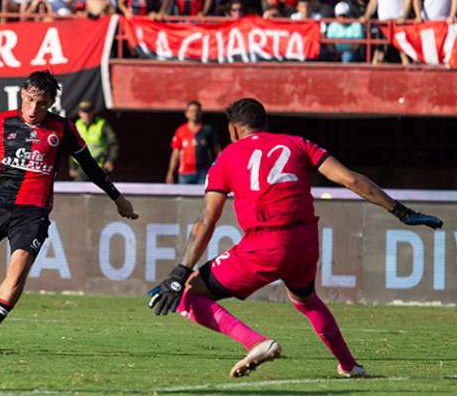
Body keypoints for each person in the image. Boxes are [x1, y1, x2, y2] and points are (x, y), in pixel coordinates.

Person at [147, 98, 443, 378]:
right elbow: (350, 179)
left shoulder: (227, 157)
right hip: (304, 243)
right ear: (264, 122)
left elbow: (206, 220)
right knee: (305, 298)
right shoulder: (297, 143)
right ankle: (349, 366)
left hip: (264, 245)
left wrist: (179, 271)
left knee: (187, 293)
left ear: (234, 128)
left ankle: (256, 343)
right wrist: (400, 211)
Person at [0, 71, 138, 356]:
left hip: (32, 213)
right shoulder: (0, 123)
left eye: (41, 103)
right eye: (29, 100)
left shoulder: (63, 129)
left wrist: (117, 198)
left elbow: (90, 166)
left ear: (52, 102)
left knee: (16, 273)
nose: (33, 109)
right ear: (21, 95)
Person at [166, 100, 221, 185]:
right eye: (191, 111)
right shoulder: (180, 131)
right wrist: (170, 172)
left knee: (203, 197)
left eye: (197, 111)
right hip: (185, 173)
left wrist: (222, 169)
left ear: (201, 113)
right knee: (184, 197)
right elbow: (175, 154)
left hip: (203, 172)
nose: (194, 113)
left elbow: (218, 151)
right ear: (186, 113)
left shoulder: (208, 130)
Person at [360, 0, 413, 65]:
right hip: (383, 24)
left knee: (404, 53)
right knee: (379, 53)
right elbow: (373, 1)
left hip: (399, 24)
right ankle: (373, 76)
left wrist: (404, 16)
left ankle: (410, 76)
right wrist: (367, 15)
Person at [68, 101, 118, 181]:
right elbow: (72, 147)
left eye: (89, 112)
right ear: (80, 113)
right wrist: (72, 167)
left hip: (99, 165)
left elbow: (113, 143)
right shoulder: (77, 125)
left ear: (93, 112)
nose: (87, 115)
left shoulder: (102, 124)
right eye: (84, 112)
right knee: (78, 190)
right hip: (81, 166)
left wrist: (110, 161)